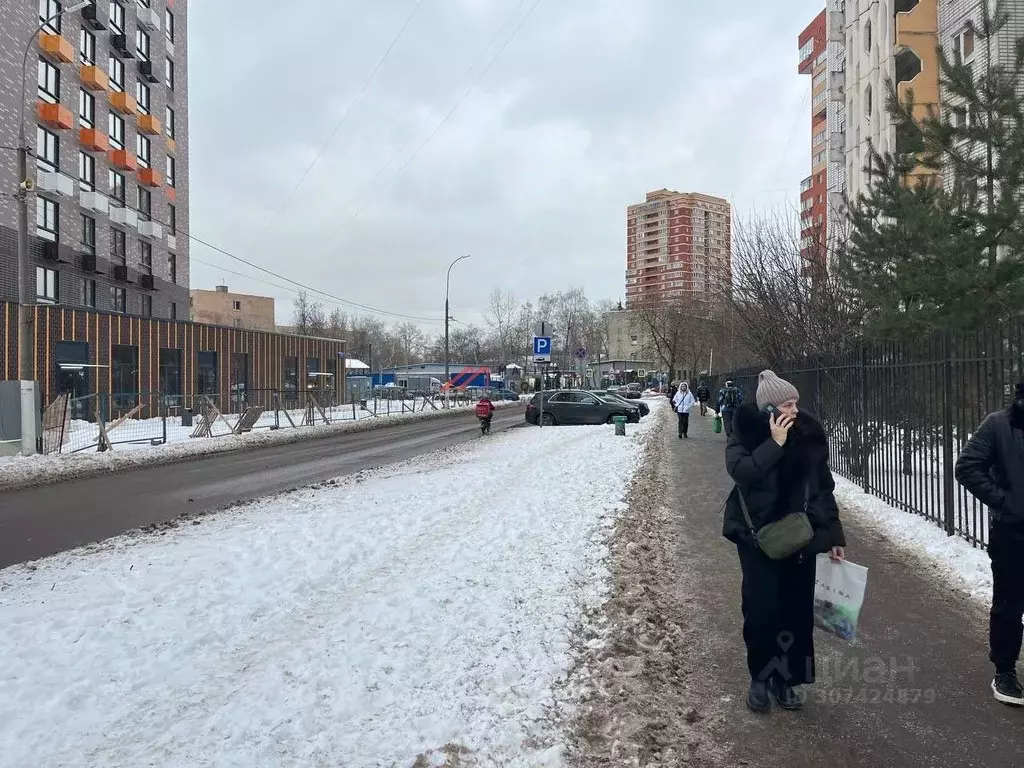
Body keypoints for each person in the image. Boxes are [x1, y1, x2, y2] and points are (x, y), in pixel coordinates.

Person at [722, 370, 846, 714]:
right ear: (768, 409)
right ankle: (760, 678)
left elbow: (823, 487)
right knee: (761, 608)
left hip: (801, 535)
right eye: (788, 404)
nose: (795, 409)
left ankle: (786, 680)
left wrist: (833, 535)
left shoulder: (809, 434)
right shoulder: (744, 432)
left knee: (795, 608)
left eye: (796, 402)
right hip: (756, 537)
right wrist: (773, 444)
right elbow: (743, 473)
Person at [954, 380, 1024, 707]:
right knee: (1010, 603)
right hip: (1014, 533)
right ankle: (1005, 670)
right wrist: (1006, 503)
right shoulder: (1000, 424)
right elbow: (967, 467)